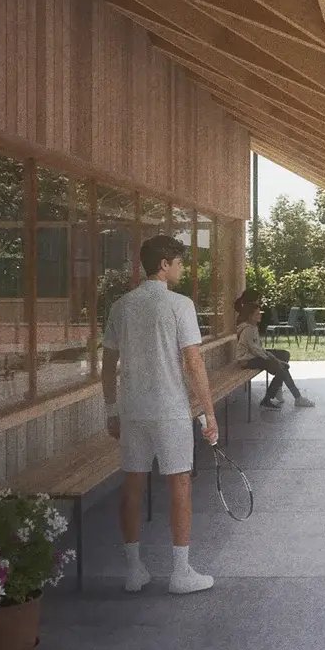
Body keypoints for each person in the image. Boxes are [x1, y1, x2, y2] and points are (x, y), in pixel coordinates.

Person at [101, 234, 217, 595]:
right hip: (169, 411)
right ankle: (181, 573)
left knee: (132, 486)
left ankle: (134, 570)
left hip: (133, 411)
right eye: (179, 262)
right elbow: (194, 363)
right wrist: (209, 415)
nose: (182, 268)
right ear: (164, 265)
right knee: (179, 484)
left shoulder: (121, 306)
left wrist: (111, 411)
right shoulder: (180, 305)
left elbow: (107, 367)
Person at [234, 290, 315, 408]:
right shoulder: (247, 328)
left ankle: (281, 388)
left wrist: (273, 357)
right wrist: (273, 359)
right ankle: (286, 396)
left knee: (284, 356)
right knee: (281, 369)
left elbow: (257, 348)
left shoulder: (252, 325)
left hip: (253, 354)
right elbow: (255, 350)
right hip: (247, 359)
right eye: (257, 313)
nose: (260, 314)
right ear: (250, 315)